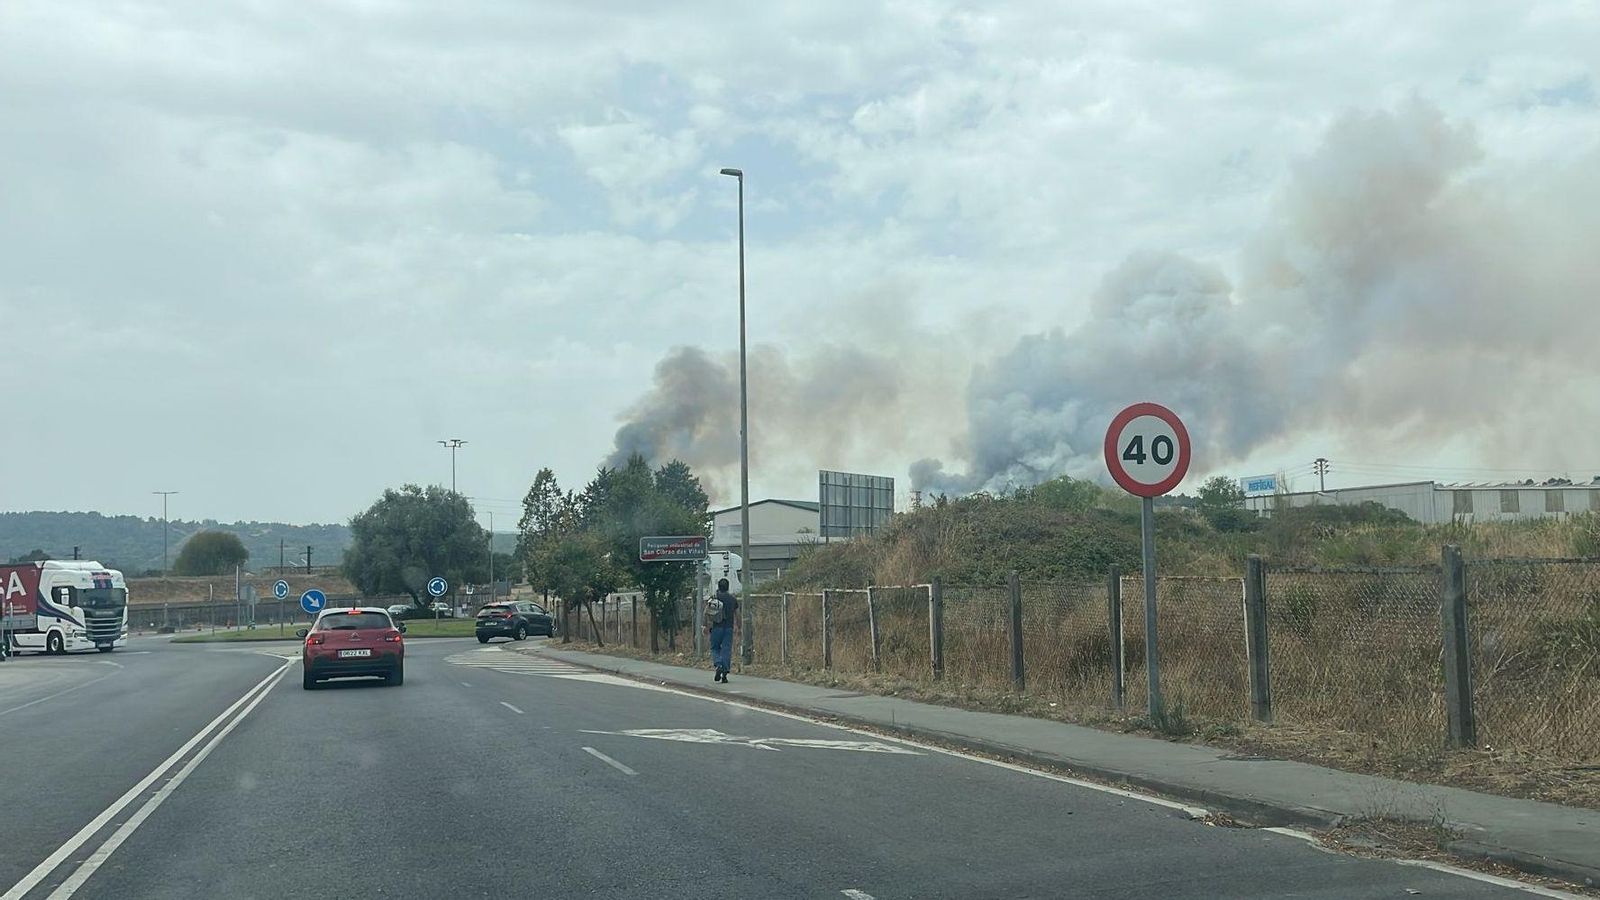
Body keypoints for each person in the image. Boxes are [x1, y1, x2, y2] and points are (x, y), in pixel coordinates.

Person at [706, 577, 739, 683]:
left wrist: (705, 625)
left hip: (716, 627)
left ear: (718, 587)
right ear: (728, 587)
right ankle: (725, 673)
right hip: (729, 628)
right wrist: (739, 626)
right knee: (726, 649)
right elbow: (737, 614)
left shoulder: (714, 598)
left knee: (714, 648)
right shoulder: (733, 599)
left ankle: (718, 664)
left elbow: (706, 612)